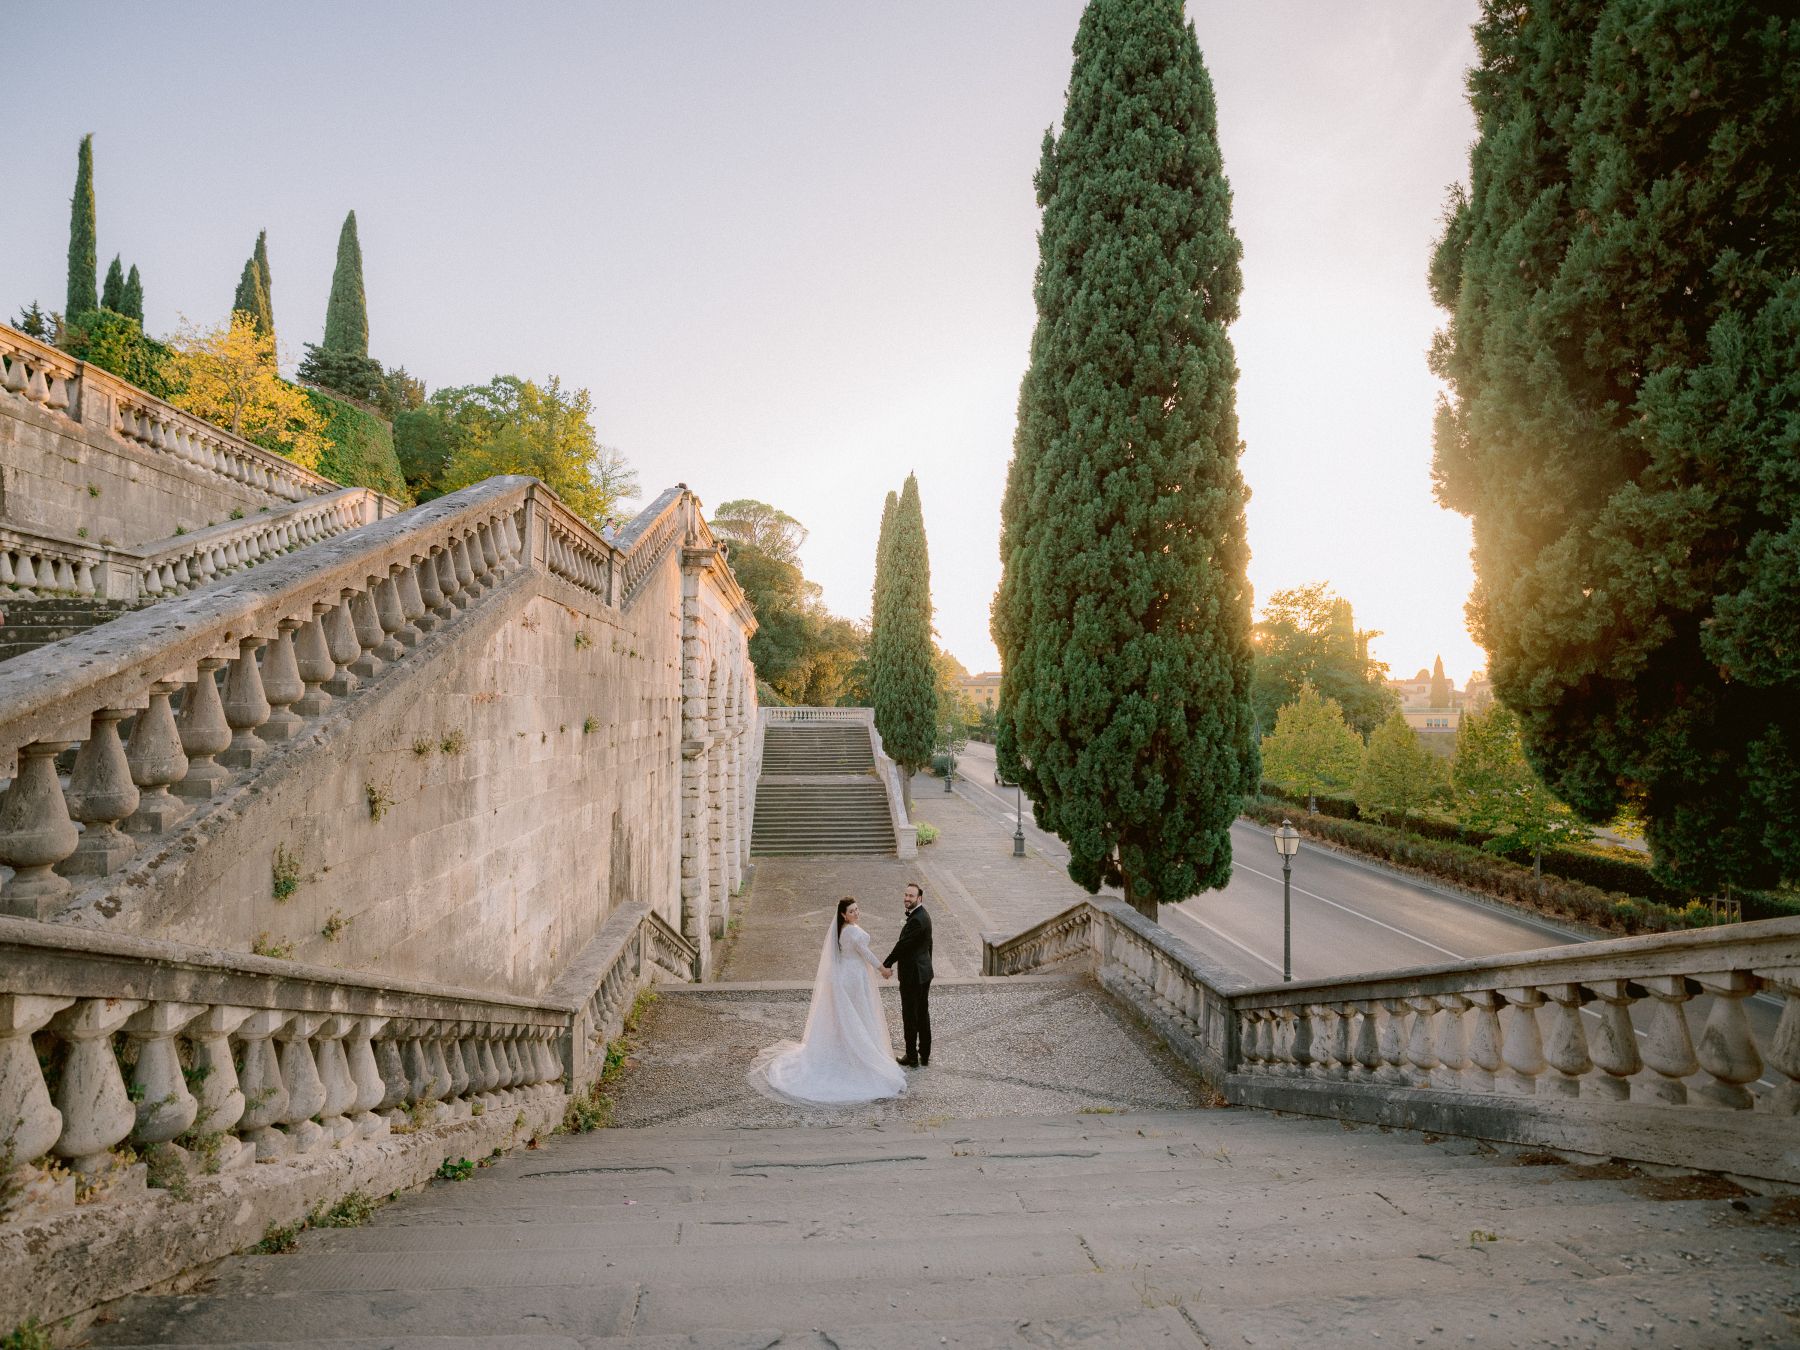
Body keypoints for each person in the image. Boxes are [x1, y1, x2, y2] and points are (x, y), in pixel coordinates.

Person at [746, 896, 907, 1105]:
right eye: (852, 911)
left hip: (844, 975)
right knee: (859, 1014)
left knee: (846, 1015)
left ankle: (843, 1044)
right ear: (843, 914)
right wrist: (883, 969)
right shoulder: (854, 932)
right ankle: (859, 1053)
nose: (856, 913)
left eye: (857, 909)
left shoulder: (841, 931)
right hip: (854, 978)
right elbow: (866, 953)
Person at [883, 881, 933, 1068]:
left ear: (919, 898)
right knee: (922, 1013)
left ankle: (912, 1056)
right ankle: (925, 1054)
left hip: (913, 975)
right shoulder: (923, 915)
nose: (907, 898)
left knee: (910, 1016)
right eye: (905, 895)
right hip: (924, 972)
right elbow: (929, 945)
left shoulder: (918, 920)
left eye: (911, 896)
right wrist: (927, 965)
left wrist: (886, 964)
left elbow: (902, 946)